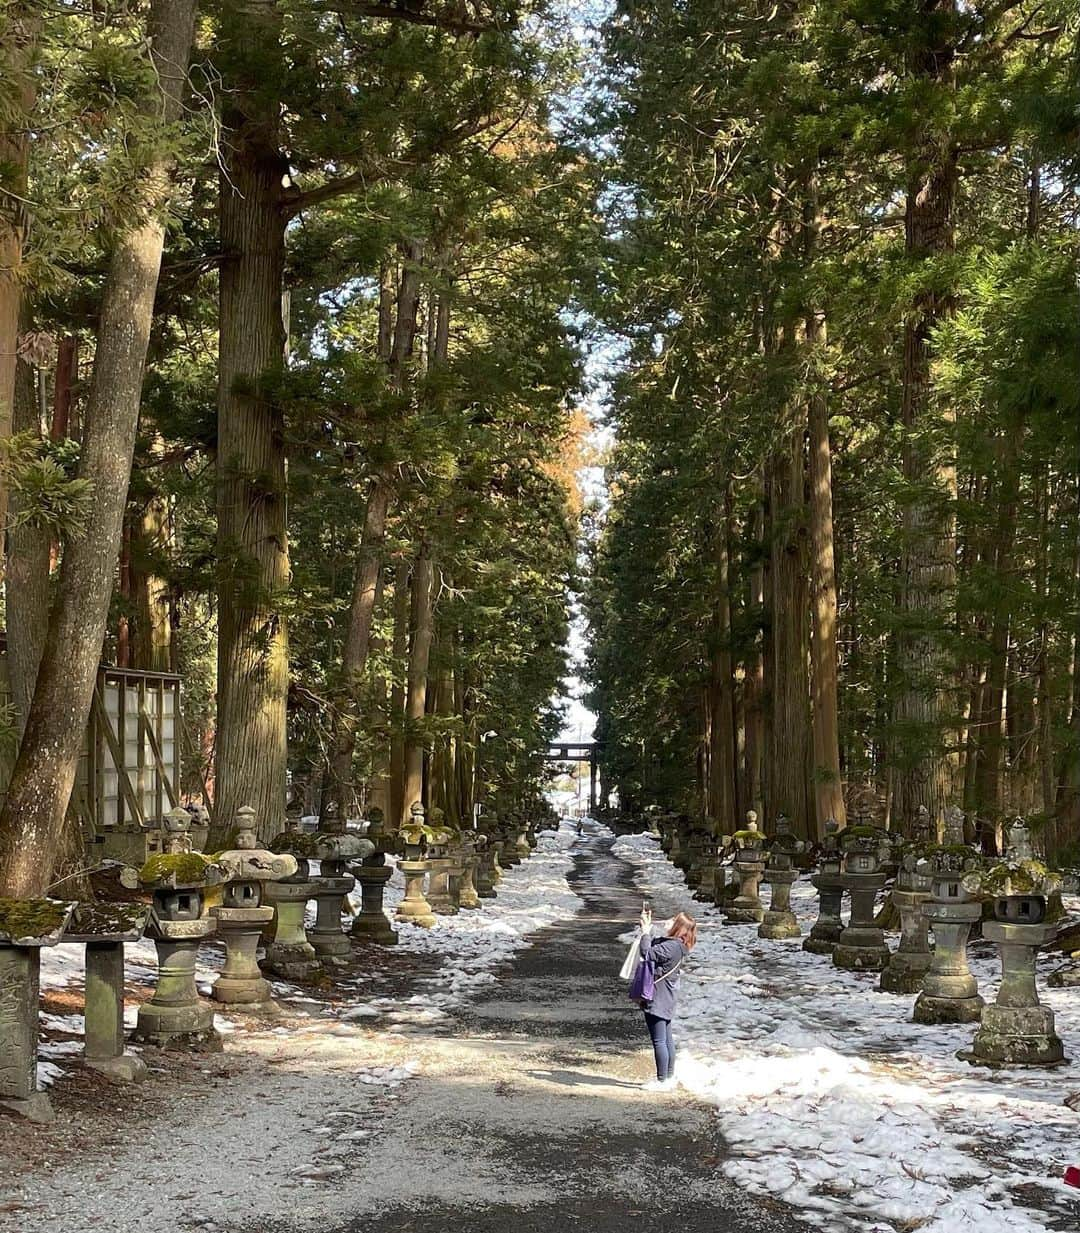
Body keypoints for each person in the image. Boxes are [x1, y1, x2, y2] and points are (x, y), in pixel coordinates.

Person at [637, 907, 697, 1091]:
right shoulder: (678, 946)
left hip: (658, 996)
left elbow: (647, 952)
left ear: (679, 928)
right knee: (667, 1039)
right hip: (668, 996)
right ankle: (668, 1076)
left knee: (659, 1041)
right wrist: (648, 928)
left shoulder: (671, 947)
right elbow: (656, 945)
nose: (668, 921)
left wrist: (645, 932)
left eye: (673, 920)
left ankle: (662, 1080)